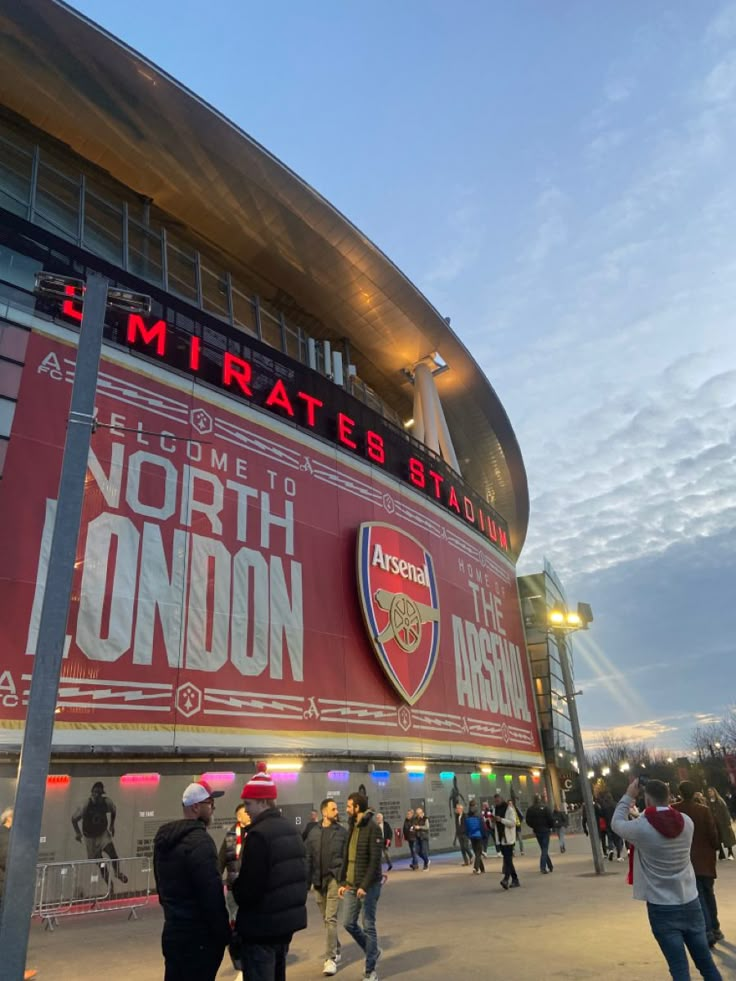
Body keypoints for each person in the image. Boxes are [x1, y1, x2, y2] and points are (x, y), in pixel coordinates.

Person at [611, 776, 722, 981]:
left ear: (648, 800)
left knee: (679, 969)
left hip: (661, 906)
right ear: (669, 797)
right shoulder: (686, 823)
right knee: (706, 964)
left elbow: (616, 823)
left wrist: (628, 795)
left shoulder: (641, 828)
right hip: (690, 900)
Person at [232, 763, 308, 981]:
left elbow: (250, 889)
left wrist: (235, 887)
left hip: (260, 928)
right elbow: (302, 875)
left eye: (248, 803)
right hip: (284, 927)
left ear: (264, 802)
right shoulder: (291, 829)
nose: (245, 809)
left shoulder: (258, 835)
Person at [153, 780, 231, 981]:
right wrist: (224, 934)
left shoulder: (164, 841)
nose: (213, 808)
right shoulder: (201, 842)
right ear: (196, 807)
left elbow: (161, 888)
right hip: (199, 939)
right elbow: (211, 895)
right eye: (210, 803)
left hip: (173, 933)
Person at [339, 791, 383, 981]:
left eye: (349, 806)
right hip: (350, 884)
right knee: (348, 922)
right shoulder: (351, 826)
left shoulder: (373, 828)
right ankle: (372, 950)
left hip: (369, 886)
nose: (346, 809)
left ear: (357, 807)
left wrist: (364, 885)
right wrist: (342, 882)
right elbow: (347, 856)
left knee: (368, 925)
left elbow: (375, 861)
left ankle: (370, 970)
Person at [674, 782, 723, 948]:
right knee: (709, 894)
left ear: (679, 793)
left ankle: (708, 931)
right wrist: (716, 846)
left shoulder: (674, 810)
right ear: (694, 792)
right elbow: (713, 835)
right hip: (706, 860)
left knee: (698, 895)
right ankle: (715, 927)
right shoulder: (704, 810)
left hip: (686, 860)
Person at [304, 797, 348, 977]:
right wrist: (306, 883)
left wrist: (345, 882)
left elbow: (346, 858)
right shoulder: (313, 833)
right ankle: (336, 947)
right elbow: (307, 858)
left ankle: (330, 958)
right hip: (317, 882)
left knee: (331, 918)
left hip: (334, 879)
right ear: (324, 812)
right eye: (333, 809)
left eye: (337, 809)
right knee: (326, 919)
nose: (336, 812)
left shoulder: (342, 832)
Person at [0, 808, 37, 981]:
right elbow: (10, 863)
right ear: (10, 819)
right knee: (10, 932)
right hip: (5, 891)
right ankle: (12, 971)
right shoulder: (7, 838)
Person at [71, 781, 128, 884]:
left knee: (113, 855)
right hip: (90, 838)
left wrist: (112, 825)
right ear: (92, 793)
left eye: (99, 793)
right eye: (95, 793)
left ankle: (117, 873)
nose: (96, 795)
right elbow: (74, 819)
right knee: (101, 864)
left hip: (102, 834)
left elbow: (114, 810)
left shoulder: (106, 802)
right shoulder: (86, 805)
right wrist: (78, 833)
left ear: (102, 794)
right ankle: (109, 884)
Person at [219, 803, 251, 923]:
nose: (248, 815)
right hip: (234, 886)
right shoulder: (232, 836)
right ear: (239, 817)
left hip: (250, 885)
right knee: (235, 918)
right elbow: (222, 858)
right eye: (245, 813)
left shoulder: (255, 833)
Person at [493, 793, 520, 890]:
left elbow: (513, 823)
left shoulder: (509, 809)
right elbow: (495, 826)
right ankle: (515, 879)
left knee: (508, 859)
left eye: (498, 800)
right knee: (508, 860)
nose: (496, 802)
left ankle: (506, 879)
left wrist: (501, 820)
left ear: (502, 799)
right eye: (495, 801)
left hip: (508, 838)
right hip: (501, 839)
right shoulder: (495, 809)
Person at [525, 794, 554, 873]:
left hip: (537, 830)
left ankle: (550, 865)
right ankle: (543, 867)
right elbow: (551, 818)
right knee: (545, 848)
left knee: (543, 848)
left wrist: (533, 826)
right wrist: (550, 826)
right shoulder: (546, 808)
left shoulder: (531, 809)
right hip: (545, 830)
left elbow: (528, 820)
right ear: (540, 799)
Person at [706, 787, 735, 861]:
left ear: (714, 792)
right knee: (718, 838)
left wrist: (728, 822)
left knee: (727, 838)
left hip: (723, 822)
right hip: (714, 824)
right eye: (709, 792)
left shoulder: (720, 801)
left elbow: (725, 812)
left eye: (711, 791)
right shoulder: (708, 802)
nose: (710, 793)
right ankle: (721, 853)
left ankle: (730, 853)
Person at [464, 801, 485, 874]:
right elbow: (482, 826)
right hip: (479, 835)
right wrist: (483, 835)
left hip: (471, 836)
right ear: (475, 805)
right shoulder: (479, 814)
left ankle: (482, 869)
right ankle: (476, 868)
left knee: (477, 852)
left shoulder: (467, 815)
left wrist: (468, 835)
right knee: (478, 853)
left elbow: (466, 827)